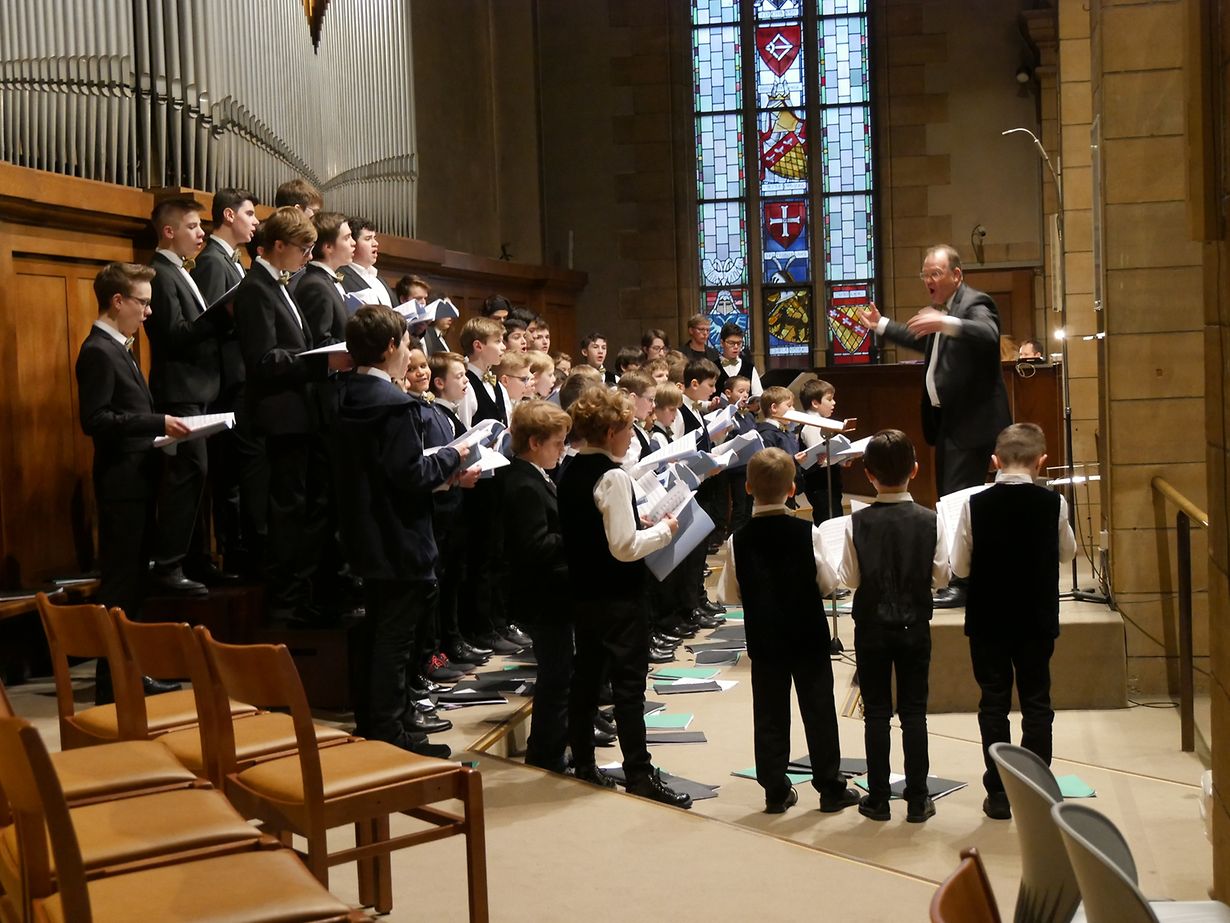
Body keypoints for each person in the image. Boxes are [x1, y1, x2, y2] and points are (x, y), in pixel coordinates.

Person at [331, 307, 464, 758]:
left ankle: (379, 721)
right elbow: (410, 474)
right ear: (391, 346)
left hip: (361, 531)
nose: (409, 353)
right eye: (407, 344)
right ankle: (391, 732)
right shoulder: (396, 404)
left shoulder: (342, 393)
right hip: (401, 535)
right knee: (396, 640)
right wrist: (453, 457)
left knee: (376, 634)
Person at [857, 244, 1011, 608]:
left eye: (935, 273)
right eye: (925, 274)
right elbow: (920, 337)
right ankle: (963, 577)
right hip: (947, 423)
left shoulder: (974, 303)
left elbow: (988, 334)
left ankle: (963, 583)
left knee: (958, 503)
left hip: (971, 424)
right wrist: (880, 325)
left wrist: (944, 322)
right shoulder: (945, 311)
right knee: (951, 500)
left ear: (956, 275)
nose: (928, 280)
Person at [559, 387, 691, 807]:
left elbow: (595, 531)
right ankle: (639, 773)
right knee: (629, 686)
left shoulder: (570, 468)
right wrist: (664, 531)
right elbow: (623, 547)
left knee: (586, 678)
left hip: (585, 592)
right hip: (618, 595)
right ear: (610, 431)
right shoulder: (612, 476)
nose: (632, 435)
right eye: (628, 427)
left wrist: (638, 522)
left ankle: (584, 763)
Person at [949, 422, 1076, 821]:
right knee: (1037, 701)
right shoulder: (1054, 504)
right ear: (1042, 461)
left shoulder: (974, 504)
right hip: (1036, 618)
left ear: (994, 461)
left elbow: (960, 566)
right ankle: (1035, 790)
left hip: (988, 619)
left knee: (993, 703)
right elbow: (1067, 554)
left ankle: (999, 792)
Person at [78, 263, 191, 703]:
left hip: (137, 479)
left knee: (134, 585)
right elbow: (96, 420)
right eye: (142, 303)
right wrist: (156, 422)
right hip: (121, 484)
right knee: (120, 586)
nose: (148, 312)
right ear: (117, 301)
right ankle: (113, 684)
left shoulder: (117, 347)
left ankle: (129, 673)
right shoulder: (98, 351)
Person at [233, 206, 350, 625]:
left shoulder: (278, 284)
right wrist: (321, 361)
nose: (308, 256)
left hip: (301, 413)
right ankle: (287, 600)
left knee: (307, 507)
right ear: (278, 245)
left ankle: (304, 593)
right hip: (280, 417)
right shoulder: (255, 289)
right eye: (303, 248)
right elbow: (263, 360)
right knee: (288, 510)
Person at [731, 448, 861, 815]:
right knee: (819, 710)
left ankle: (775, 789)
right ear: (792, 489)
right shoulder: (808, 532)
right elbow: (827, 582)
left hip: (765, 637)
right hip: (807, 635)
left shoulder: (738, 539)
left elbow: (731, 593)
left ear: (747, 487)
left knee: (769, 712)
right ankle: (830, 787)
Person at [837, 429, 949, 823]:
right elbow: (941, 577)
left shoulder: (856, 522)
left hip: (871, 626)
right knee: (914, 712)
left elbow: (850, 579)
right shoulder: (931, 520)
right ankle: (918, 799)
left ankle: (879, 799)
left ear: (868, 474)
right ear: (914, 470)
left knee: (876, 713)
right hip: (915, 624)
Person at [144, 196, 223, 596]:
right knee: (187, 474)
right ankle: (168, 565)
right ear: (169, 231)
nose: (200, 233)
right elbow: (173, 335)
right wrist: (219, 317)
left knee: (199, 477)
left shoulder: (179, 270)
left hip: (197, 388)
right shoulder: (160, 274)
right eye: (192, 227)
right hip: (179, 391)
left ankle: (195, 559)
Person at [192, 188, 260, 578]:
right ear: (229, 216)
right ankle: (233, 551)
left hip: (238, 377)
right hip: (227, 380)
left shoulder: (233, 260)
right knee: (229, 473)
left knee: (238, 470)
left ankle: (240, 548)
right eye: (249, 214)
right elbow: (211, 324)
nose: (255, 222)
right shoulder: (212, 262)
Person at [505, 400, 573, 772]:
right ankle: (546, 753)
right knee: (555, 674)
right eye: (557, 443)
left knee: (559, 671)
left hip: (552, 592)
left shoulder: (535, 475)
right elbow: (533, 546)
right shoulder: (523, 483)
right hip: (543, 595)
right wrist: (576, 533)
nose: (562, 450)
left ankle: (551, 746)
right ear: (534, 443)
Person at [292, 212, 354, 346]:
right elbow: (320, 342)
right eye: (347, 238)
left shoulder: (325, 280)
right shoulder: (315, 286)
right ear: (328, 247)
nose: (353, 243)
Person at [799, 379, 844, 524]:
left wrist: (844, 459)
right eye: (829, 399)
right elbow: (820, 459)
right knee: (828, 520)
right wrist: (842, 456)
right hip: (820, 485)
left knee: (834, 516)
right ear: (815, 403)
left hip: (828, 482)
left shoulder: (820, 423)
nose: (834, 403)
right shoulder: (811, 426)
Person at [341, 216, 397, 306]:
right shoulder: (341, 277)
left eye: (374, 238)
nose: (375, 243)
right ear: (353, 243)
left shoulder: (378, 278)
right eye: (368, 239)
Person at [714, 321, 763, 397]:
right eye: (731, 343)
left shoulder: (749, 368)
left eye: (739, 343)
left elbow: (758, 395)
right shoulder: (713, 367)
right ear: (722, 343)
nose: (736, 347)